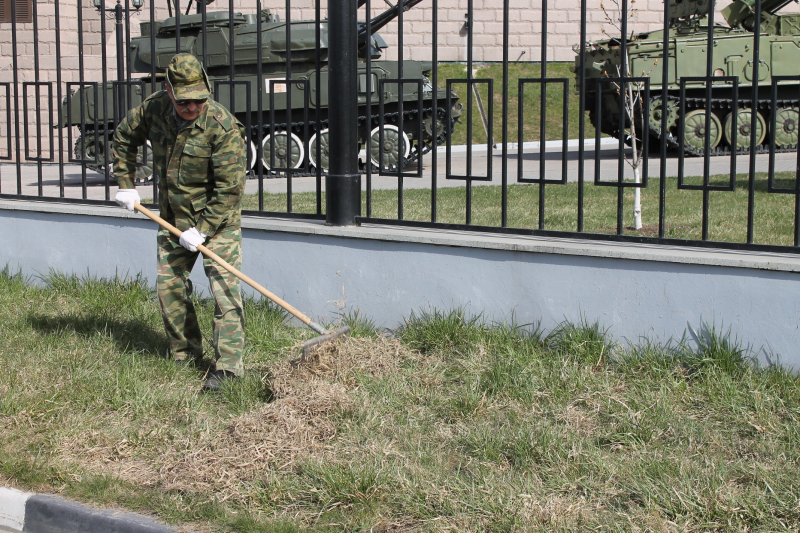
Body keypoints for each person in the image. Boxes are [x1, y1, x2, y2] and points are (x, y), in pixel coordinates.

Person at [112, 53, 247, 392]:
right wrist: (125, 184)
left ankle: (228, 368)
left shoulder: (223, 126)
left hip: (217, 221)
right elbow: (123, 137)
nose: (192, 107)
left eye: (199, 99)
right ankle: (186, 354)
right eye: (184, 101)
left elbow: (230, 189)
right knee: (168, 286)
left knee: (225, 292)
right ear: (170, 92)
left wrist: (202, 230)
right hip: (172, 217)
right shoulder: (154, 108)